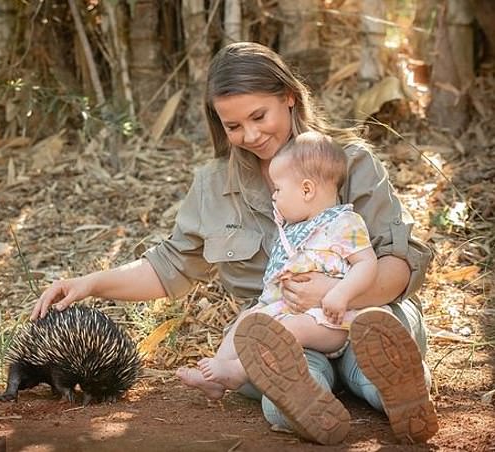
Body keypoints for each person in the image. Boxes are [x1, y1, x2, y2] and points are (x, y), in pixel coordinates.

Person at [31, 42, 438, 445]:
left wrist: (337, 294)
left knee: (372, 359)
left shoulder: (348, 161)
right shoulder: (213, 185)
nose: (252, 135)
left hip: (369, 312)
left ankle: (394, 393)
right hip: (278, 326)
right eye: (234, 126)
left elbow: (399, 262)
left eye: (259, 116)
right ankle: (311, 401)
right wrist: (90, 283)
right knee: (280, 389)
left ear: (289, 98)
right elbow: (171, 265)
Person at [192, 130, 380, 395]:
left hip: (327, 321)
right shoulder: (293, 228)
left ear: (306, 189)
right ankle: (217, 376)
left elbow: (366, 264)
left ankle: (239, 372)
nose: (275, 197)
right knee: (247, 320)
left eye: (278, 189)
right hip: (284, 311)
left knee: (286, 329)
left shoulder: (342, 222)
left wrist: (340, 293)